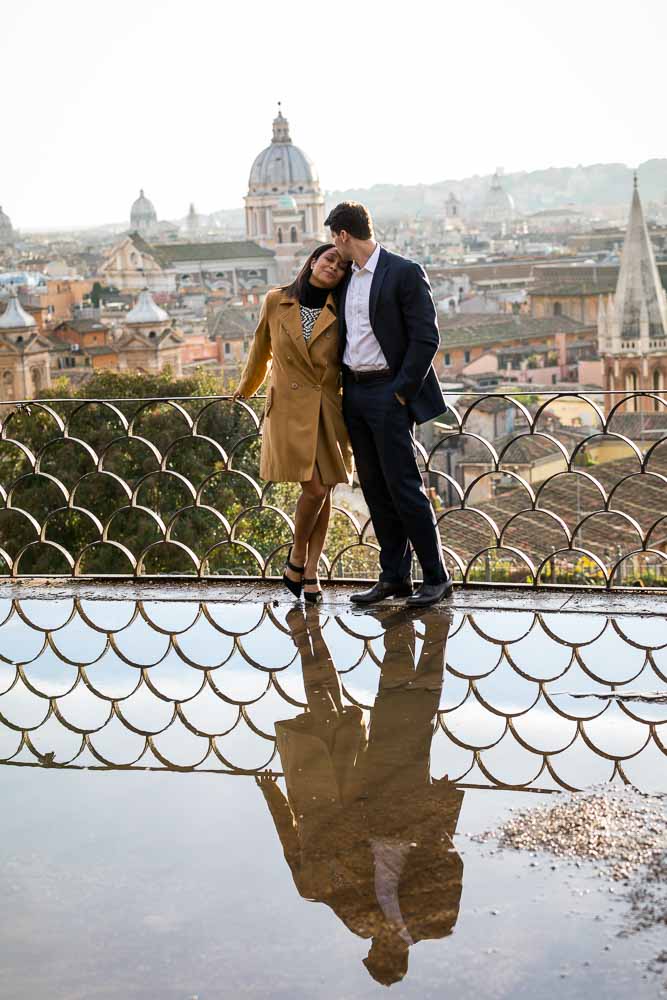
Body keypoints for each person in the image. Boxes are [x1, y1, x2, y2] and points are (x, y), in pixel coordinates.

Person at [257, 605, 463, 988]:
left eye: (373, 951)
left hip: (371, 800)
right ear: (399, 954)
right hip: (407, 807)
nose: (376, 945)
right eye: (383, 952)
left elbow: (312, 868)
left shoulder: (359, 918)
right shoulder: (432, 921)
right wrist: (444, 807)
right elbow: (449, 864)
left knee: (392, 712)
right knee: (417, 720)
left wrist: (278, 796)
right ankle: (433, 629)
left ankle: (404, 626)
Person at [324, 201, 453, 607]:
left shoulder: (404, 271)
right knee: (376, 489)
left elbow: (426, 337)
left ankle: (436, 575)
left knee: (404, 487)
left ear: (344, 235)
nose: (333, 246)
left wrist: (400, 391)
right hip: (355, 392)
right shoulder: (345, 280)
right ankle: (394, 577)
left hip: (388, 391)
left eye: (334, 238)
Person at [233, 245, 353, 602]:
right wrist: (245, 388)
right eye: (329, 258)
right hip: (287, 408)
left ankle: (309, 569)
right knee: (314, 489)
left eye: (343, 265)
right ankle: (298, 555)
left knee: (324, 489)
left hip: (327, 407)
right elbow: (261, 349)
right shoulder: (275, 300)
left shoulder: (343, 308)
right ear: (313, 262)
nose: (334, 266)